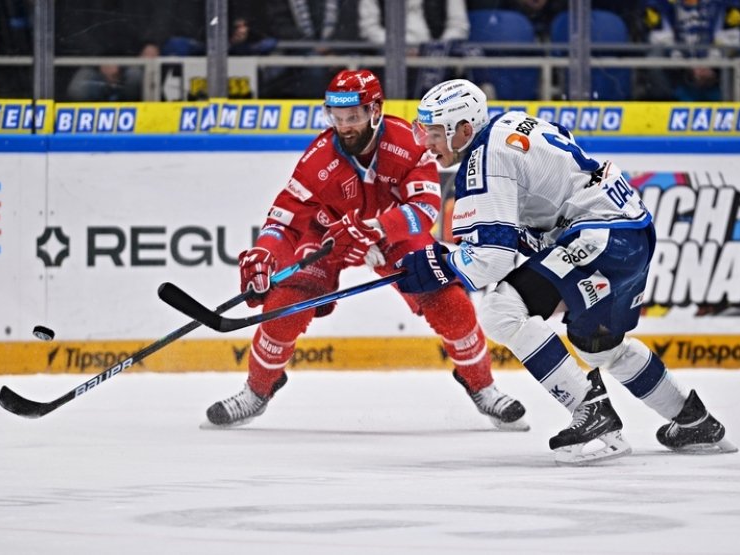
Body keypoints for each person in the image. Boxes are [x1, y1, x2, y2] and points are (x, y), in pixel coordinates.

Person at [398, 79, 737, 464]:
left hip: (600, 235)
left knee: (501, 309)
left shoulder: (482, 159)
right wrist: (449, 259)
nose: (427, 143)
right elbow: (529, 221)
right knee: (599, 345)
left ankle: (593, 413)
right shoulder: (513, 123)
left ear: (464, 129)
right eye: (423, 131)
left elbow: (491, 259)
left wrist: (439, 266)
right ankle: (694, 422)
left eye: (435, 132)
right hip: (630, 231)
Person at [204, 69, 528, 431]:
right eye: (337, 118)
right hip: (329, 235)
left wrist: (376, 231)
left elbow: (424, 208)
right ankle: (256, 391)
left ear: (375, 110)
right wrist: (264, 250)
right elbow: (285, 220)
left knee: (450, 303)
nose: (344, 126)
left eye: (353, 116)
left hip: (393, 233)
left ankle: (482, 386)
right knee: (284, 307)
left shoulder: (409, 142)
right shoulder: (318, 160)